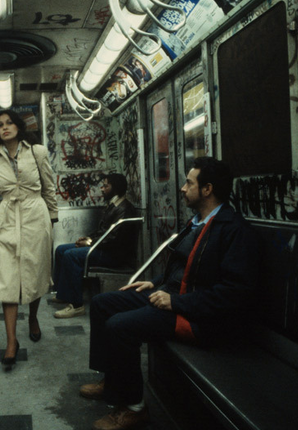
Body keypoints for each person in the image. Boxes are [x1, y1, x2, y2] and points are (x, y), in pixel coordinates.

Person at [79, 157, 260, 430]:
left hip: (196, 314)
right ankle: (112, 381)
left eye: (189, 182)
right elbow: (181, 265)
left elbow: (233, 294)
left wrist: (176, 301)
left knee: (119, 326)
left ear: (207, 189)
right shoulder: (197, 222)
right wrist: (154, 282)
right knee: (104, 303)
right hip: (171, 295)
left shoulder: (233, 230)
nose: (183, 188)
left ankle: (134, 407)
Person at [0, 109, 58, 370]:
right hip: (6, 219)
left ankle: (33, 317)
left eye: (9, 123)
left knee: (35, 273)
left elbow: (49, 187)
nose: (5, 128)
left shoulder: (37, 152)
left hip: (36, 217)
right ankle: (11, 341)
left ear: (18, 126)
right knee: (7, 279)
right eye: (0, 125)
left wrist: (53, 220)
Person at [52, 173, 137, 318]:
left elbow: (113, 239)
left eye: (106, 186)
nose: (102, 189)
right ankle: (64, 294)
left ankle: (76, 305)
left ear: (115, 188)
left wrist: (90, 242)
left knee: (71, 256)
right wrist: (87, 238)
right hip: (103, 248)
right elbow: (103, 231)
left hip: (113, 255)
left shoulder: (124, 210)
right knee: (60, 250)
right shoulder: (113, 206)